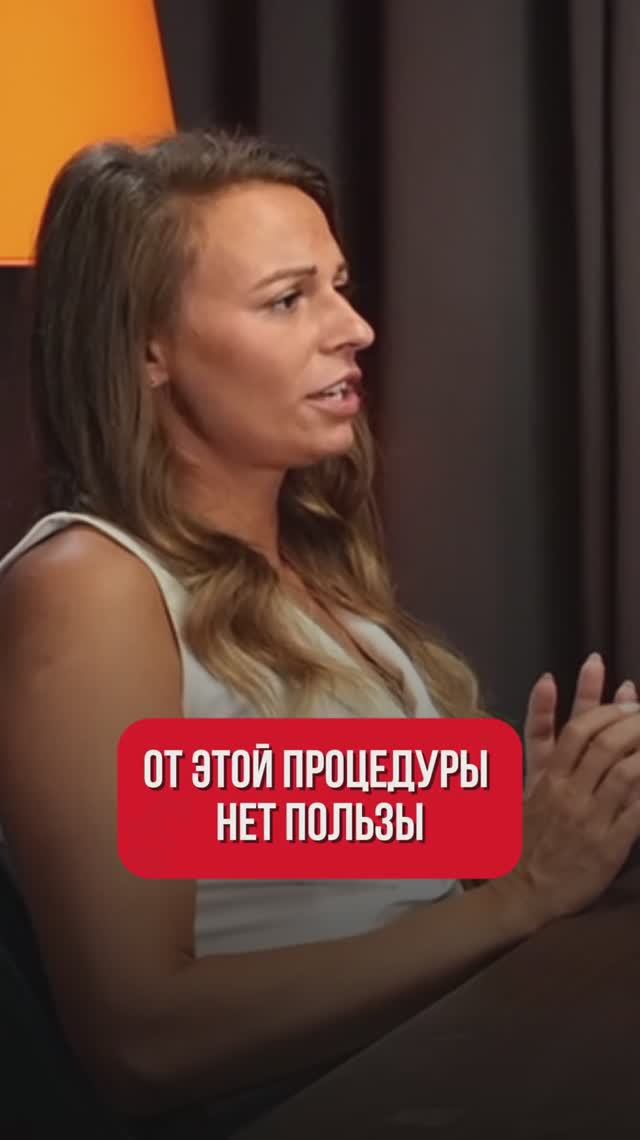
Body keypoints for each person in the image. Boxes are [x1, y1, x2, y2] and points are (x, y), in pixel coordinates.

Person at [0, 127, 639, 1135]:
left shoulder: (309, 576)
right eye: (287, 299)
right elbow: (140, 1042)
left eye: (337, 286)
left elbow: (351, 889)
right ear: (147, 347)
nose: (355, 328)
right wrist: (520, 893)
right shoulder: (92, 586)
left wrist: (536, 824)